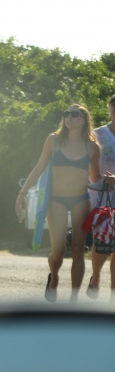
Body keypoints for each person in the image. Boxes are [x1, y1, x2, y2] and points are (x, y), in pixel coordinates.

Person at [16, 104, 109, 302]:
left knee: (78, 248)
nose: (69, 118)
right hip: (56, 199)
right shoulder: (54, 140)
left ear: (84, 120)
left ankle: (74, 299)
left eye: (75, 115)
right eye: (66, 114)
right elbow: (39, 167)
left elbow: (95, 178)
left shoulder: (92, 147)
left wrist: (110, 180)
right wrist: (22, 193)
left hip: (80, 199)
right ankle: (54, 277)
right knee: (57, 252)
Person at [87, 95, 115, 298]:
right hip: (101, 194)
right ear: (109, 110)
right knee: (102, 243)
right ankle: (95, 277)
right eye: (113, 107)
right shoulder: (98, 134)